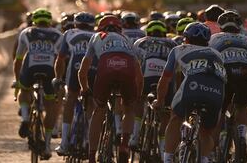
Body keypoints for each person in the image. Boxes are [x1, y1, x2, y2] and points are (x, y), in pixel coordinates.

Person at [153, 22, 226, 163]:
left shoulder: (178, 49)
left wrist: (160, 100)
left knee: (175, 118)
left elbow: (165, 79)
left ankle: (167, 159)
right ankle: (204, 159)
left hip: (193, 88)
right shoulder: (217, 53)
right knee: (207, 132)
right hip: (217, 91)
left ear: (186, 38)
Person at [78, 15, 143, 163]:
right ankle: (124, 145)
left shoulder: (96, 37)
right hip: (127, 69)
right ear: (120, 28)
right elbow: (138, 74)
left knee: (99, 110)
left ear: (101, 28)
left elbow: (83, 69)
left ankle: (91, 156)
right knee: (129, 109)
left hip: (106, 68)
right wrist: (137, 96)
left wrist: (84, 88)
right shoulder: (126, 40)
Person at [14, 8, 63, 159]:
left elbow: (18, 60)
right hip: (49, 70)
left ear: (34, 20)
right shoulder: (58, 34)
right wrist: (59, 78)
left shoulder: (26, 32)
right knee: (51, 106)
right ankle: (47, 146)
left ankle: (25, 118)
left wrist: (18, 81)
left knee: (25, 90)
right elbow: (62, 60)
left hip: (31, 68)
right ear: (49, 21)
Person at [209, 10, 247, 160]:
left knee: (219, 111)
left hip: (225, 73)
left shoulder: (214, 37)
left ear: (220, 25)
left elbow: (209, 61)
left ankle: (211, 151)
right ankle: (241, 136)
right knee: (241, 106)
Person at [129, 20, 177, 159]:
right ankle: (163, 150)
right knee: (165, 113)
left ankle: (135, 136)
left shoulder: (140, 42)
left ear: (148, 32)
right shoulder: (173, 43)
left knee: (140, 100)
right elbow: (177, 70)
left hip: (146, 75)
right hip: (165, 79)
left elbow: (134, 65)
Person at [52, 12, 95, 156]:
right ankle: (89, 142)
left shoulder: (69, 33)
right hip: (93, 71)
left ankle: (64, 143)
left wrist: (58, 78)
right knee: (92, 105)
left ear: (75, 23)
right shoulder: (98, 35)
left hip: (75, 69)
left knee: (71, 99)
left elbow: (61, 58)